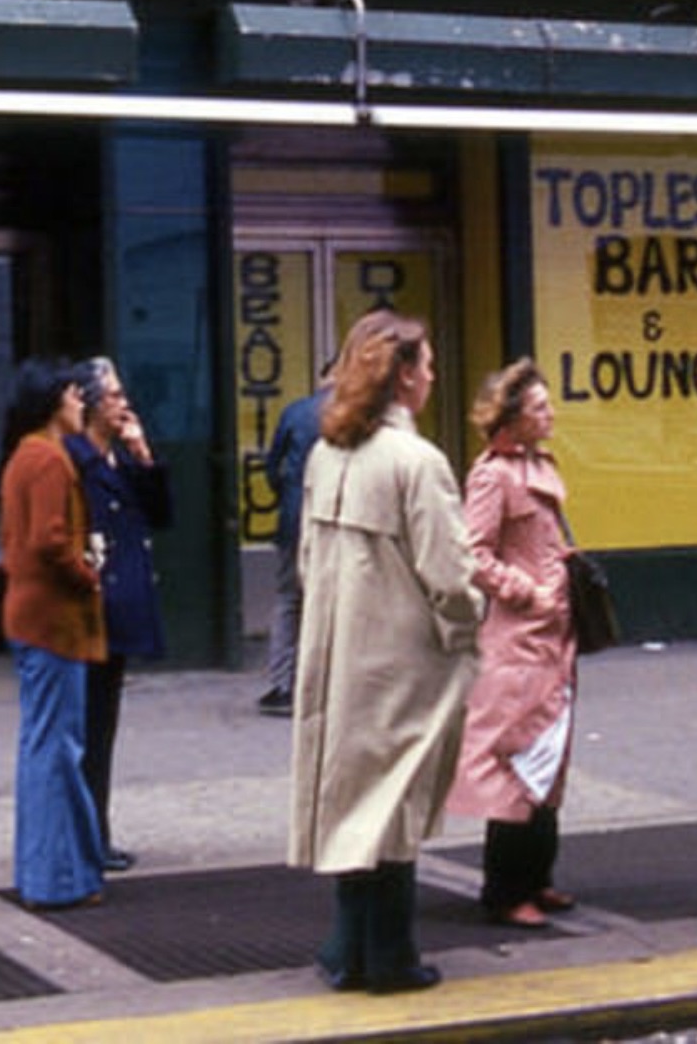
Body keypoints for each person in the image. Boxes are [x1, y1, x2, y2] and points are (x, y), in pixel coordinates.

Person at [288, 310, 483, 995]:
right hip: (404, 651)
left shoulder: (325, 451)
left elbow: (307, 560)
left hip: (339, 646)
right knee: (395, 799)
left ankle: (347, 949)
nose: (432, 375)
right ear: (403, 376)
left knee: (350, 795)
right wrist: (467, 633)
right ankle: (392, 956)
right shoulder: (419, 462)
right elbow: (451, 577)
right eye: (425, 364)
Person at [446, 360, 581, 929]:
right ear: (512, 419)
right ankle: (504, 890)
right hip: (520, 640)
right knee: (515, 762)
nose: (550, 413)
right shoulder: (492, 475)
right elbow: (472, 552)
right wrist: (525, 591)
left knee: (549, 758)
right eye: (539, 407)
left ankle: (538, 876)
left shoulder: (538, 464)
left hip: (556, 638)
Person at [0, 357, 108, 910]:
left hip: (28, 614)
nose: (80, 402)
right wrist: (88, 575)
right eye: (72, 395)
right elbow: (49, 540)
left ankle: (46, 870)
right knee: (57, 748)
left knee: (42, 744)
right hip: (53, 619)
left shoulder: (24, 456)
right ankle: (56, 878)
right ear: (51, 403)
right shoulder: (49, 461)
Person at [66, 356, 171, 873]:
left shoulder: (121, 459)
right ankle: (86, 833)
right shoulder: (74, 459)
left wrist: (143, 453)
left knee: (103, 724)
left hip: (123, 605)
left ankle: (97, 828)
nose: (125, 404)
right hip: (90, 607)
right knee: (84, 726)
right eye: (114, 397)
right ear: (88, 403)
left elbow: (162, 513)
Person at [256, 366, 328, 717]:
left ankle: (282, 684)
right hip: (333, 517)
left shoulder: (296, 411)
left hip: (293, 516)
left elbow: (272, 465)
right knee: (331, 601)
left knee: (288, 600)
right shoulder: (355, 413)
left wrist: (287, 494)